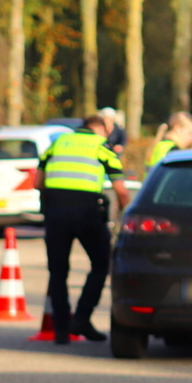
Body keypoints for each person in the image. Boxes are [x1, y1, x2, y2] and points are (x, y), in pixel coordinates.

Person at [37, 114, 129, 344]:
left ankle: (60, 330)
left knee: (58, 272)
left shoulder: (57, 143)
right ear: (104, 129)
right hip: (87, 215)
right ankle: (81, 318)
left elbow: (37, 183)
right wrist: (125, 217)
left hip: (56, 215)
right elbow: (122, 192)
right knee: (101, 263)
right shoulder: (102, 147)